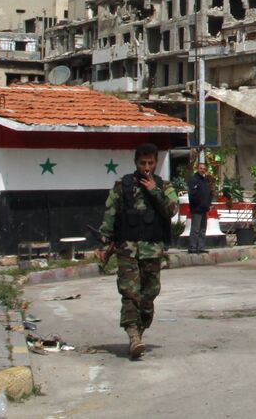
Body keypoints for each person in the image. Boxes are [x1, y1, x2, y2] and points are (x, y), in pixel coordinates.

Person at [97, 143, 177, 360]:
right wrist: (105, 245)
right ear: (136, 163)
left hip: (152, 250)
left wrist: (154, 191)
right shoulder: (122, 186)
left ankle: (139, 332)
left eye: (151, 163)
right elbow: (110, 216)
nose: (147, 167)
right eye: (143, 163)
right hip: (127, 250)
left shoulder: (164, 186)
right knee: (130, 294)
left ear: (156, 163)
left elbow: (171, 210)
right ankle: (133, 336)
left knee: (149, 295)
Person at [186, 161, 212, 254]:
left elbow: (207, 193)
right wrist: (197, 204)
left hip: (204, 208)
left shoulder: (205, 180)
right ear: (197, 169)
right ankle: (192, 247)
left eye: (204, 169)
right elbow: (192, 195)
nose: (202, 170)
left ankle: (201, 247)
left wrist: (208, 204)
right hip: (196, 208)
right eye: (201, 168)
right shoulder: (194, 180)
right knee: (195, 229)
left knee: (202, 229)